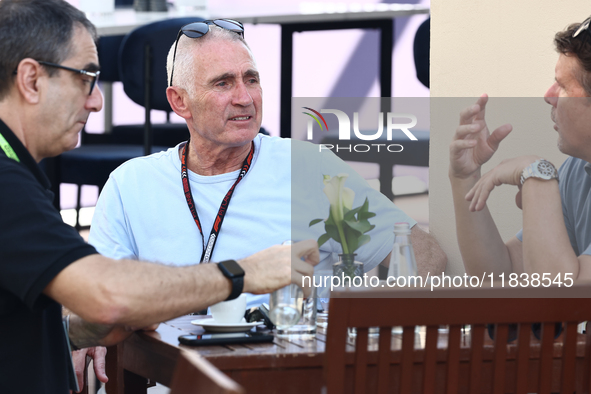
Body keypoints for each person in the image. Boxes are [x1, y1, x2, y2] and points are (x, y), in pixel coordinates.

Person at [0, 1, 319, 393]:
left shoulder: (307, 165)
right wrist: (244, 273)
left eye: (251, 79)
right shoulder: (9, 185)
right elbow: (106, 294)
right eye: (85, 77)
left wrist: (78, 331)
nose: (97, 100)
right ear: (31, 80)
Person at [88, 20, 447, 300]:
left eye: (252, 79)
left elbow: (424, 253)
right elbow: (94, 294)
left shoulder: (307, 168)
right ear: (179, 101)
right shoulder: (131, 185)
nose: (245, 98)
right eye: (223, 84)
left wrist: (365, 323)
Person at [449, 16, 591, 279]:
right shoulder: (579, 170)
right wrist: (464, 178)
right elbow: (500, 278)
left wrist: (537, 173)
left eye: (562, 86)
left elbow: (560, 301)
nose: (548, 96)